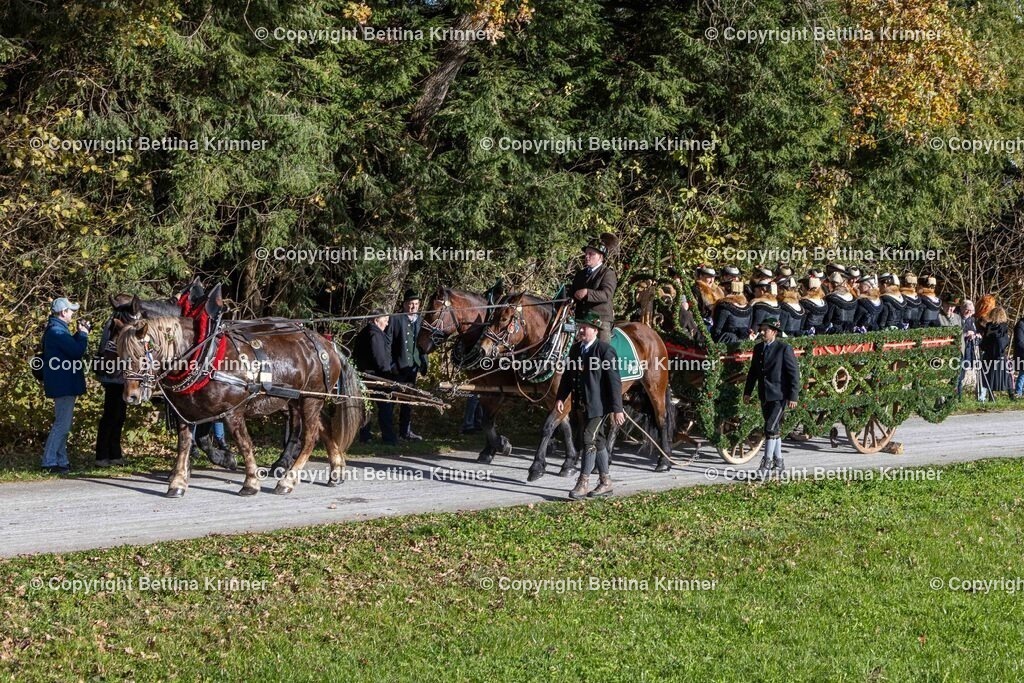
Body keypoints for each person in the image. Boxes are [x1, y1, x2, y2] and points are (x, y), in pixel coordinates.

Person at [556, 312, 625, 499]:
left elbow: (614, 381)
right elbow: (568, 377)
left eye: (584, 327)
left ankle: (583, 482)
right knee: (599, 441)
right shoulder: (576, 349)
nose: (581, 330)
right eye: (580, 326)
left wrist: (617, 408)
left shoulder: (604, 350)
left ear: (595, 330)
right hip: (581, 404)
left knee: (588, 438)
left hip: (600, 406)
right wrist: (561, 398)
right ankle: (606, 482)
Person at [743, 317, 800, 475]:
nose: (762, 332)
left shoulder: (783, 348)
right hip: (764, 394)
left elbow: (793, 374)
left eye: (765, 330)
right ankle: (779, 462)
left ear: (774, 332)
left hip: (780, 395)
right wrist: (747, 391)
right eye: (761, 329)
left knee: (769, 428)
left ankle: (766, 463)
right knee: (774, 429)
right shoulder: (758, 348)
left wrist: (793, 396)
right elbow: (753, 372)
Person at [41, 297, 91, 474]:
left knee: (63, 423)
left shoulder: (57, 329)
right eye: (71, 311)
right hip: (63, 385)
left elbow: (69, 349)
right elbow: (76, 352)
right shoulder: (56, 331)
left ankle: (61, 460)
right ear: (63, 312)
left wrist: (79, 334)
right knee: (62, 424)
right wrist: (83, 334)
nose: (72, 314)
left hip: (63, 384)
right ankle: (49, 461)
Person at [390, 290, 429, 440]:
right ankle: (389, 432)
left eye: (416, 304)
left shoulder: (421, 320)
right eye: (410, 304)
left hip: (413, 366)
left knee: (408, 400)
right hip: (398, 366)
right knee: (392, 399)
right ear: (404, 304)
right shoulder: (396, 319)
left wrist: (424, 362)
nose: (413, 307)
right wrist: (391, 364)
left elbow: (424, 343)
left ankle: (405, 431)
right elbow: (389, 343)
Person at [354, 311, 397, 445]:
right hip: (376, 377)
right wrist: (388, 375)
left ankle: (365, 436)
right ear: (376, 320)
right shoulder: (375, 334)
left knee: (367, 407)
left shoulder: (363, 332)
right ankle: (388, 438)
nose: (387, 323)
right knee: (385, 407)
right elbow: (380, 358)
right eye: (385, 320)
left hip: (364, 375)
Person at [570, 236, 618, 343]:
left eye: (591, 254)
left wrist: (587, 292)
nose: (587, 256)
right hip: (580, 319)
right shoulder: (580, 274)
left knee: (602, 351)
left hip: (601, 320)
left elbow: (606, 295)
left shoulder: (608, 274)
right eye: (586, 254)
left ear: (600, 257)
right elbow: (572, 293)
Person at [94, 315, 126, 467]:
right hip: (113, 378)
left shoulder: (116, 324)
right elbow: (110, 353)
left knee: (118, 416)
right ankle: (102, 455)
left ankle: (114, 454)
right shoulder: (114, 326)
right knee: (111, 416)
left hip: (119, 379)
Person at [979, 307, 1012, 401]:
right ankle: (1011, 395)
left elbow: (984, 342)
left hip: (989, 355)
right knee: (1006, 375)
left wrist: (983, 346)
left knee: (989, 376)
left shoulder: (989, 327)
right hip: (1000, 355)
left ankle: (990, 396)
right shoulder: (1004, 327)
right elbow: (1005, 342)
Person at [1014, 315, 1024, 398]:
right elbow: (1019, 341)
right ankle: (1018, 393)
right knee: (1022, 374)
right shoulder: (1020, 324)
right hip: (1022, 354)